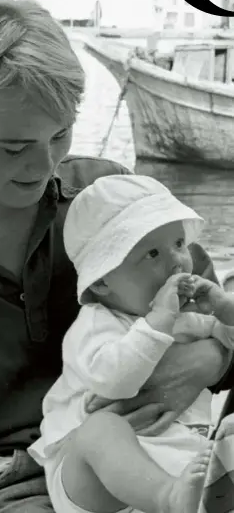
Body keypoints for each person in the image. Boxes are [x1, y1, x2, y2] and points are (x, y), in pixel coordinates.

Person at [0, 0, 232, 513]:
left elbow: (213, 312)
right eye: (14, 148)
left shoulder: (111, 197)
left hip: (170, 449)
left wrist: (210, 359)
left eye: (60, 136)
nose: (43, 166)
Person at [28, 174, 234, 513]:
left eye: (179, 244)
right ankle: (167, 497)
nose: (176, 261)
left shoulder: (189, 316)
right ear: (104, 282)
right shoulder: (96, 324)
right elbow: (117, 382)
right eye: (152, 253)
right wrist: (158, 322)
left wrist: (225, 311)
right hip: (93, 476)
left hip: (179, 459)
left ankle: (188, 494)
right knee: (101, 430)